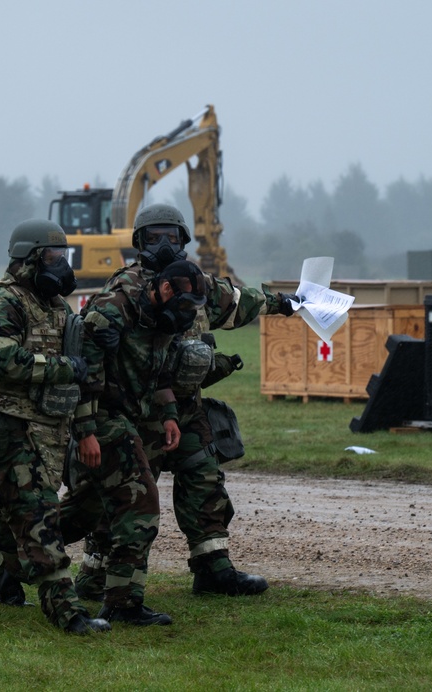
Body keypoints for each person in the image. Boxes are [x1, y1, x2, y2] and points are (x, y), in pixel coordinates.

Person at [71, 203, 299, 601]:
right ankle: (94, 574)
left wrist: (290, 303)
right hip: (133, 410)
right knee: (119, 498)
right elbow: (94, 357)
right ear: (139, 242)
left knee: (204, 476)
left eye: (172, 236)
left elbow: (240, 301)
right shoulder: (124, 292)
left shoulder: (196, 284)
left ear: (184, 241)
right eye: (154, 236)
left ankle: (213, 568)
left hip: (183, 407)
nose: (163, 244)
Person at [0, 218, 110, 636]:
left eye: (63, 256)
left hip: (42, 426)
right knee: (38, 518)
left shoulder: (53, 305)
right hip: (7, 424)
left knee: (6, 516)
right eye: (54, 256)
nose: (62, 265)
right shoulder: (2, 301)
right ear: (30, 258)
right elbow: (7, 362)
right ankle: (66, 612)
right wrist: (65, 367)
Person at [56, 258, 210, 627]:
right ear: (167, 289)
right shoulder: (113, 310)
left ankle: (3, 563)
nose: (188, 314)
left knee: (85, 510)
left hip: (129, 416)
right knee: (141, 503)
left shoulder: (161, 316)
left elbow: (154, 371)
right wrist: (86, 432)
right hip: (102, 418)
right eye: (186, 304)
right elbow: (82, 372)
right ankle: (123, 602)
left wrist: (169, 412)